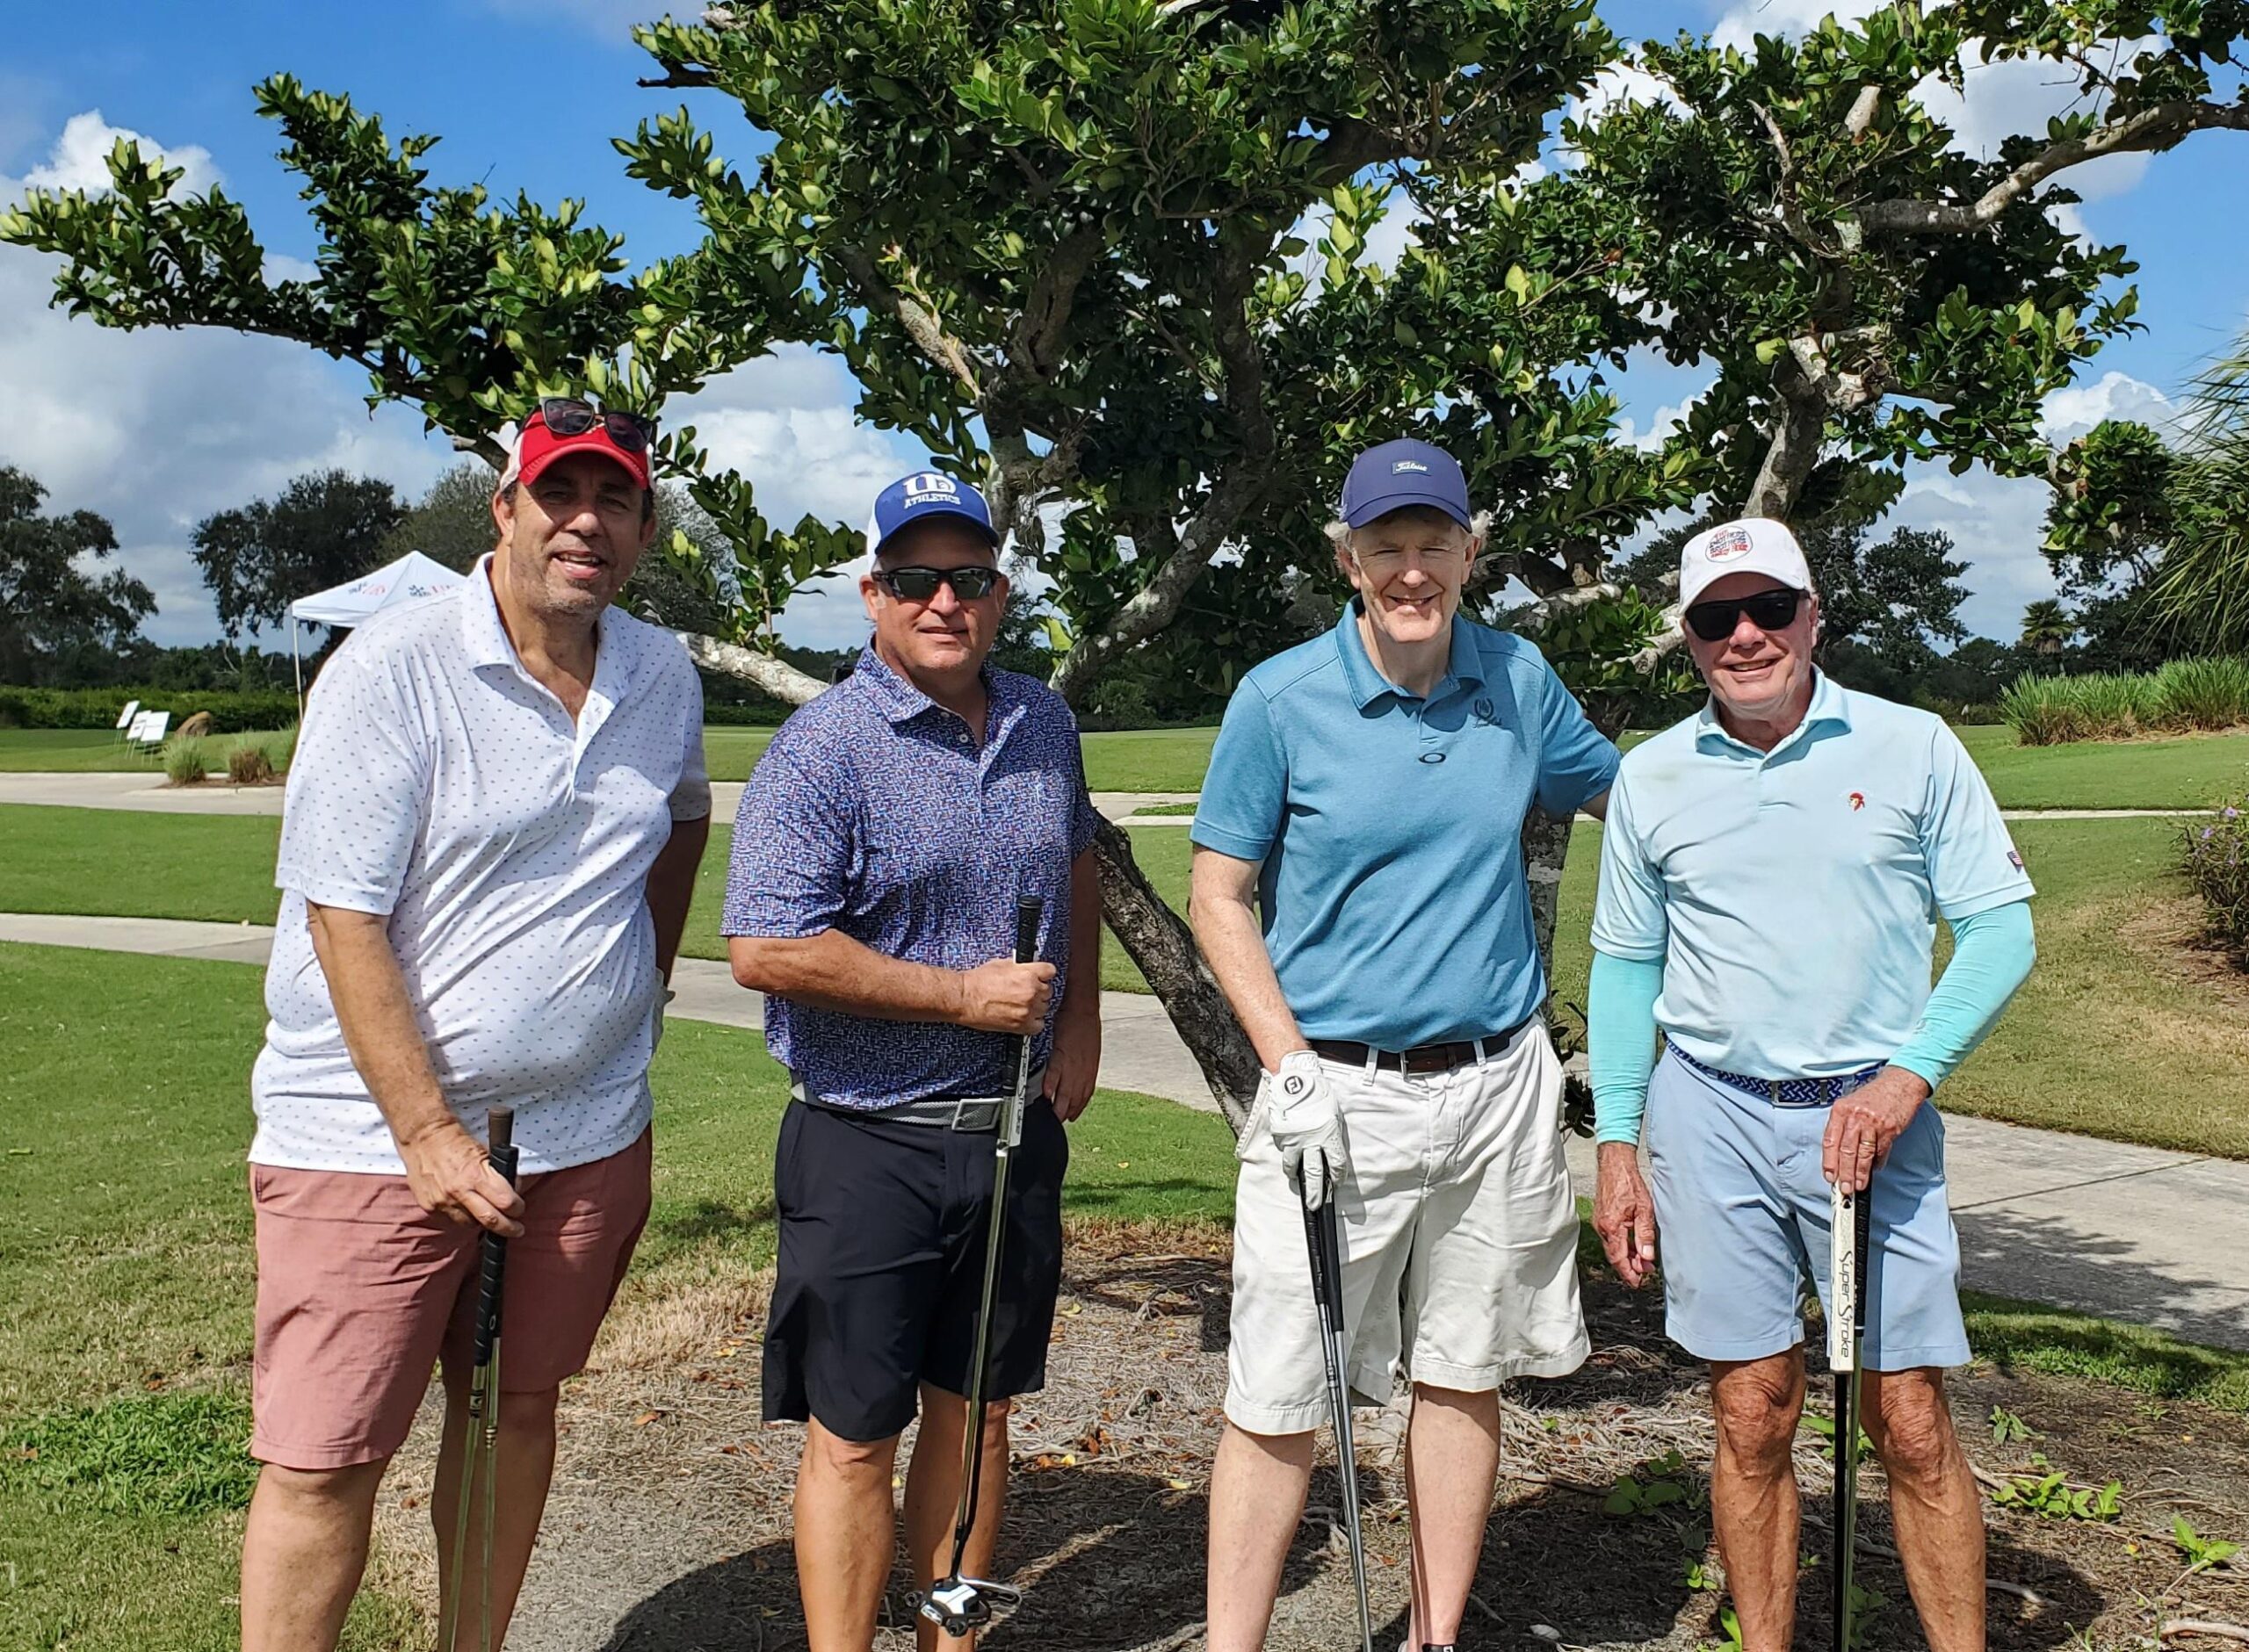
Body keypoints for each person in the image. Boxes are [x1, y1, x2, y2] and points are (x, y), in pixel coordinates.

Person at [238, 400, 712, 1651]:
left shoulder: (661, 673)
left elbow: (682, 818)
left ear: (642, 531)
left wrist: (639, 986)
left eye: (615, 500)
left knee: (516, 1411)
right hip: (368, 1141)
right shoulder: (390, 668)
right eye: (559, 494)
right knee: (324, 1457)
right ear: (504, 510)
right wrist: (427, 1132)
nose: (585, 522)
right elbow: (342, 914)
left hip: (584, 1133)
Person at [1190, 438, 1619, 1652]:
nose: (1413, 570)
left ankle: (1433, 1639)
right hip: (1332, 1090)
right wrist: (1285, 1063)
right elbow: (1219, 894)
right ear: (1349, 561)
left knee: (1464, 1368)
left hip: (1497, 1086)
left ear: (1472, 555)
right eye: (1388, 547)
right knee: (1281, 1387)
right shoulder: (1281, 699)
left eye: (1436, 544)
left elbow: (1627, 800)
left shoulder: (1518, 676)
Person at [1587, 517, 2037, 1652]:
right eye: (1715, 617)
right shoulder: (1651, 775)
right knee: (1750, 1413)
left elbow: (2000, 930)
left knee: (1910, 1419)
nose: (1744, 635)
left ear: (1812, 615)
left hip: (1873, 1116)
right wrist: (1619, 1144)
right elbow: (1627, 967)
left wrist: (1907, 1078)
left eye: (1768, 608)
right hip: (1712, 1113)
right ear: (1691, 638)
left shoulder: (1912, 744)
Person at [722, 468, 1103, 1652]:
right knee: (853, 1436)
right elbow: (766, 947)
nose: (946, 600)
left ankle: (950, 1645)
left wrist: (1080, 1020)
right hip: (865, 1141)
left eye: (970, 577)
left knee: (979, 1417)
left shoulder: (1043, 722)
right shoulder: (821, 749)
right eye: (916, 579)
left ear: (1001, 593)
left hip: (1010, 1135)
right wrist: (961, 997)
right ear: (872, 592)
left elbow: (1075, 863)